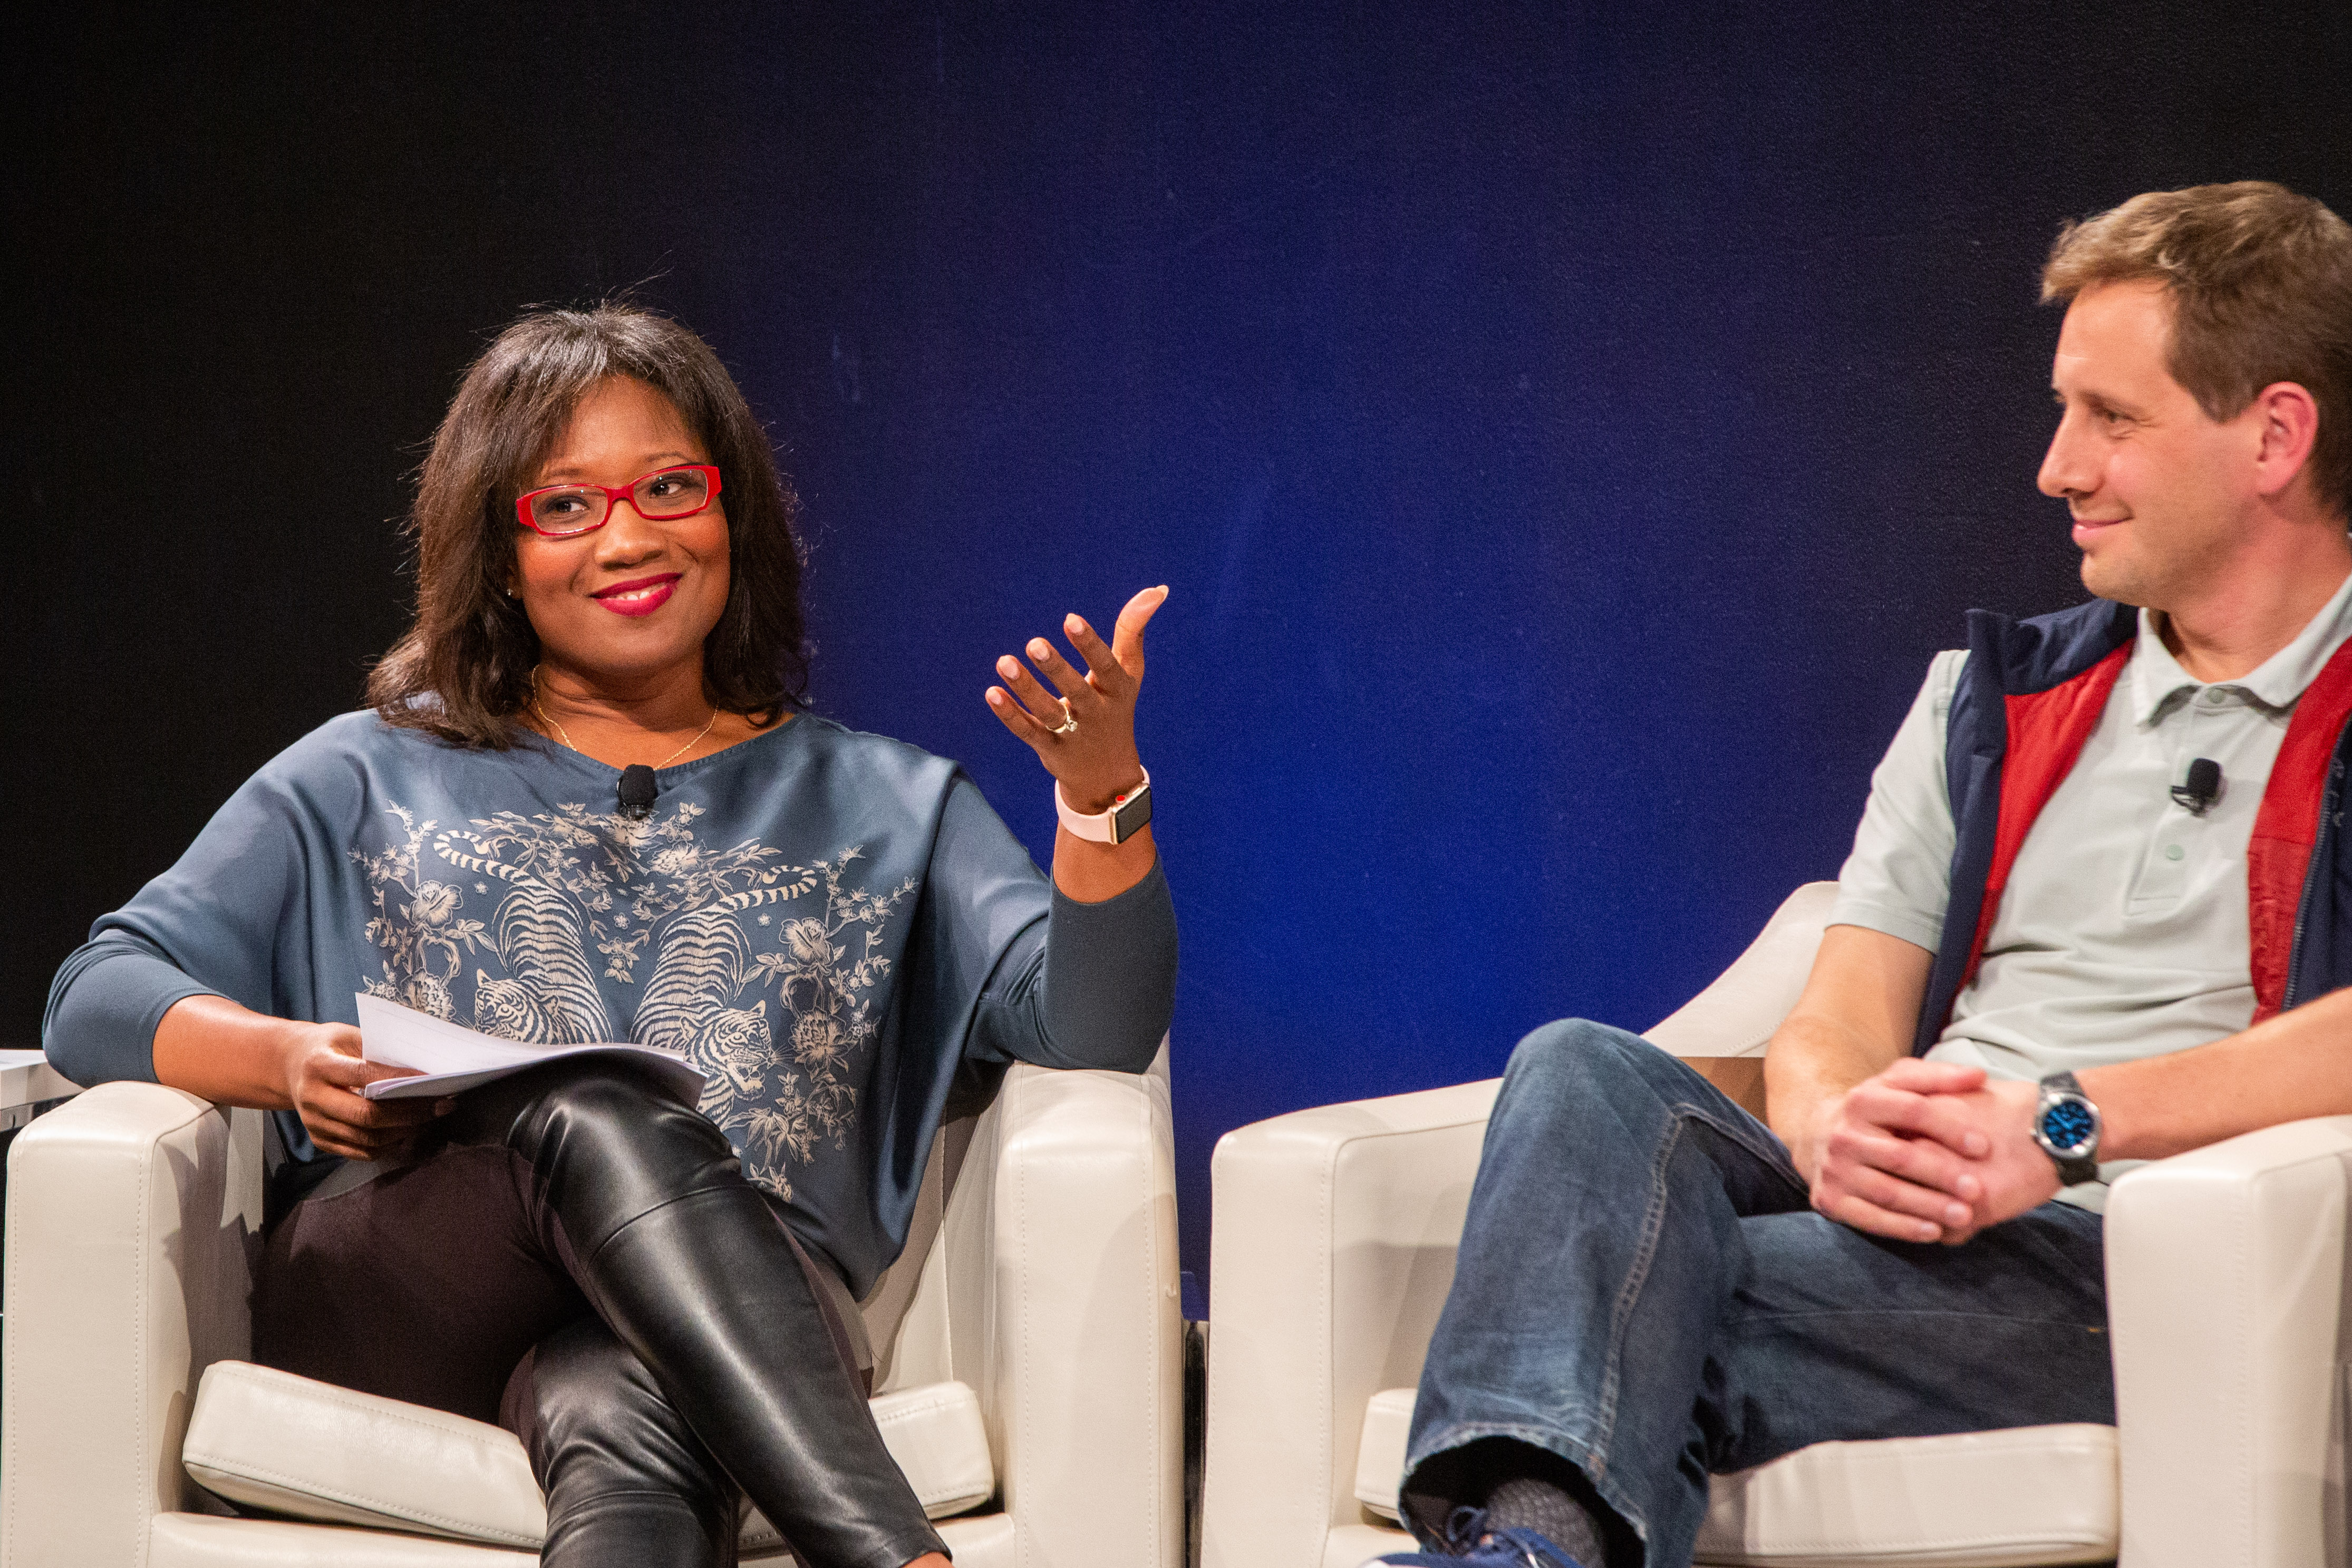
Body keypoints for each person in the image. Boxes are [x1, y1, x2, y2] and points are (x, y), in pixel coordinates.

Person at [43, 303, 1179, 1568]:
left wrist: (1100, 797)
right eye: (566, 505)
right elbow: (95, 992)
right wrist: (285, 1060)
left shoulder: (892, 805)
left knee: (624, 1400)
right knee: (594, 1108)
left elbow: (1097, 1019)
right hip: (411, 1289)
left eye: (670, 487)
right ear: (499, 552)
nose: (629, 536)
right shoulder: (363, 772)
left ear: (731, 512)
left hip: (747, 1323)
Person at [1374, 180, 2352, 1568]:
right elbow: (1841, 1007)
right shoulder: (1989, 698)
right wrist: (1833, 1123)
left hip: (2151, 1262)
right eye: (2062, 411)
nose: (2056, 467)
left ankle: (1521, 1539)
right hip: (1918, 1227)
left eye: (2110, 418)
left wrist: (2058, 1123)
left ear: (2273, 433)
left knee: (1603, 1290)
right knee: (1576, 1067)